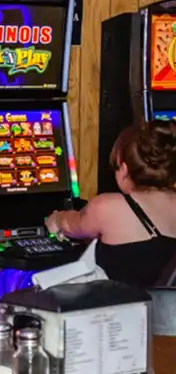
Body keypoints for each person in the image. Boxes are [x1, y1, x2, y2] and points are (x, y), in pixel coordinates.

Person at [45, 120, 176, 287]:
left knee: (12, 278)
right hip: (167, 310)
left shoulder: (107, 206)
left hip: (120, 310)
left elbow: (71, 225)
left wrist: (55, 218)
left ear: (124, 169)